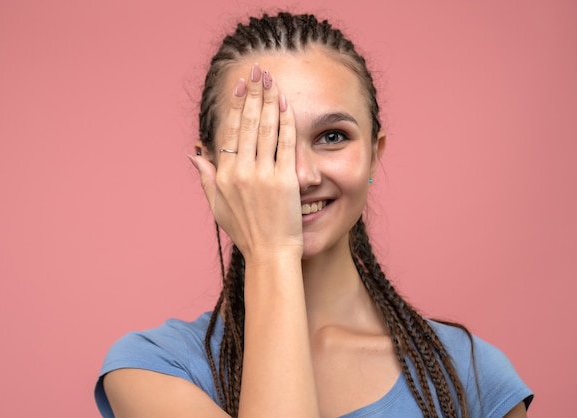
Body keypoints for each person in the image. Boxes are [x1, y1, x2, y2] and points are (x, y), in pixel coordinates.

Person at [94, 12, 533, 418]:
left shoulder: (472, 377)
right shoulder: (153, 369)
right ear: (210, 167)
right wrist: (273, 254)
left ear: (375, 156)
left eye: (332, 136)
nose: (300, 175)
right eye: (263, 143)